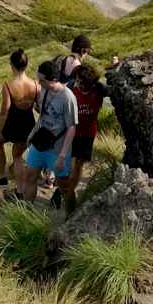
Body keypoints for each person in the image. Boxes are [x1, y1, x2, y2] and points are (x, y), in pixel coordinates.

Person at [18, 58, 79, 198]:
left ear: (52, 79)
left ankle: (72, 216)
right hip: (40, 144)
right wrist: (32, 133)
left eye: (41, 80)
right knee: (30, 177)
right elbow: (43, 115)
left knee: (64, 185)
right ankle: (27, 213)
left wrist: (62, 156)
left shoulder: (68, 98)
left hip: (58, 149)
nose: (39, 83)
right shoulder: (44, 91)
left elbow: (71, 127)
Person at [57, 60, 106, 212]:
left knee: (78, 163)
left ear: (89, 82)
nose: (77, 83)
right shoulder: (71, 87)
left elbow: (116, 93)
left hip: (88, 133)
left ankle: (70, 190)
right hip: (71, 132)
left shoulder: (99, 89)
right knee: (67, 163)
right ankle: (63, 190)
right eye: (76, 79)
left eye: (80, 81)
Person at [0, 48, 40, 187]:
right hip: (28, 124)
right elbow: (39, 107)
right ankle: (18, 182)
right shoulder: (36, 84)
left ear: (11, 65)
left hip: (11, 123)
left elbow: (4, 111)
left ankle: (2, 177)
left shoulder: (8, 85)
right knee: (17, 155)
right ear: (26, 65)